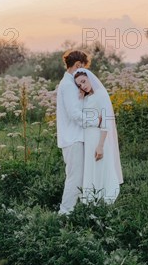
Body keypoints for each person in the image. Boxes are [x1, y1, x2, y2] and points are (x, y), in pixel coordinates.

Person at [74, 68, 123, 204]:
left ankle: (104, 199)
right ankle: (91, 199)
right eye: (79, 85)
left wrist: (100, 145)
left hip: (98, 137)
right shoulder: (86, 97)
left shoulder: (101, 94)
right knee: (91, 168)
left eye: (83, 81)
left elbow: (106, 120)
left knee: (101, 165)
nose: (83, 86)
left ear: (90, 78)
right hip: (88, 138)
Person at [56, 50, 90, 215]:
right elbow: (74, 114)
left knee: (79, 177)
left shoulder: (70, 84)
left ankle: (75, 212)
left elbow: (76, 108)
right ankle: (64, 214)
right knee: (74, 178)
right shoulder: (68, 85)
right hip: (73, 138)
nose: (82, 71)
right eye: (80, 67)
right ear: (76, 65)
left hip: (74, 137)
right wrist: (94, 121)